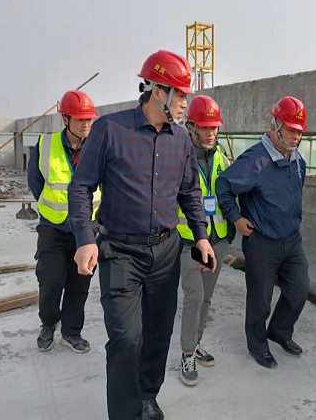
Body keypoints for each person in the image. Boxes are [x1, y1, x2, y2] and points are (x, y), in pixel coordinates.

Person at [68, 50, 215, 420]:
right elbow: (81, 187)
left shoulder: (181, 140)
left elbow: (190, 192)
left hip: (166, 252)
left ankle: (147, 396)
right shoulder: (110, 130)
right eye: (180, 95)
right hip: (120, 252)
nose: (185, 103)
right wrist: (85, 238)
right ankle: (124, 413)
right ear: (157, 91)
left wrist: (200, 236)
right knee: (125, 339)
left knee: (158, 333)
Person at [216, 96, 310, 369]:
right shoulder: (255, 160)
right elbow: (223, 185)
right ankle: (257, 345)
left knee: (299, 289)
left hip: (292, 240)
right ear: (275, 127)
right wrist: (236, 218)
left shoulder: (298, 162)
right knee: (260, 300)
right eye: (291, 130)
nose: (296, 136)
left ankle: (279, 331)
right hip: (262, 243)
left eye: (299, 131)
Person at [27, 90, 101, 353]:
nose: (86, 124)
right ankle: (48, 323)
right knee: (51, 280)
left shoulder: (98, 147)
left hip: (86, 230)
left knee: (79, 283)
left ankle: (71, 332)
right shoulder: (46, 145)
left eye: (89, 119)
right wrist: (52, 207)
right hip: (53, 227)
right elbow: (35, 181)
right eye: (80, 119)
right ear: (66, 119)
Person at [177, 95, 235, 386]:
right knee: (195, 296)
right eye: (205, 127)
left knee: (207, 297)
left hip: (218, 240)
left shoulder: (222, 158)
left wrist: (230, 232)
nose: (211, 133)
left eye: (214, 127)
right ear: (191, 126)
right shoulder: (179, 157)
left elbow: (229, 195)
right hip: (191, 241)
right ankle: (187, 352)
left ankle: (197, 341)